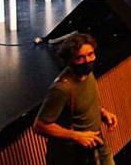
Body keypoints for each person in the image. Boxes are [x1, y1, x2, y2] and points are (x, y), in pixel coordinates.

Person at [33, 33, 118, 165]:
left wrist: (102, 112)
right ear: (69, 60)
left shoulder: (88, 75)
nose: (87, 61)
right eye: (80, 58)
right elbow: (40, 126)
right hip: (71, 156)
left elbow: (82, 103)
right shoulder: (62, 88)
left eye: (90, 54)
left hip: (96, 145)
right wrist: (76, 136)